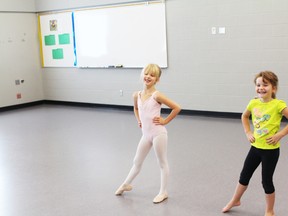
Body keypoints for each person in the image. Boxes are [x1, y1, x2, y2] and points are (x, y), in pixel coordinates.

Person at [222, 71, 288, 216]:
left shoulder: (278, 105)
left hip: (270, 151)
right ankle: (235, 200)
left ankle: (270, 210)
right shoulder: (253, 102)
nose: (261, 88)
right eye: (258, 85)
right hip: (255, 148)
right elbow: (244, 116)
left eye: (265, 85)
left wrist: (281, 134)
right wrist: (248, 132)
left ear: (274, 88)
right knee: (244, 176)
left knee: (266, 181)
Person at [115, 63, 181, 204]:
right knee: (137, 162)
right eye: (146, 73)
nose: (148, 77)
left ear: (157, 79)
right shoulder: (136, 95)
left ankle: (163, 192)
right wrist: (139, 120)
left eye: (152, 75)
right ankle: (126, 184)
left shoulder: (157, 95)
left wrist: (165, 121)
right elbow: (136, 109)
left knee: (162, 162)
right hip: (146, 134)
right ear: (142, 75)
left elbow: (176, 107)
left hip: (158, 134)